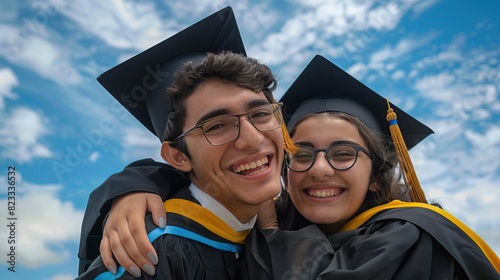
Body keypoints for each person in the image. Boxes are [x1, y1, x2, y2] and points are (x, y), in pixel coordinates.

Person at [81, 54, 500, 279]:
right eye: (302, 152)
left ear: (376, 177)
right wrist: (135, 182)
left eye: (343, 154)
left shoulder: (409, 237)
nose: (319, 169)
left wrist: (270, 232)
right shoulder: (160, 243)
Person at [76, 6, 296, 279]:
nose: (252, 140)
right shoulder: (148, 254)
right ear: (179, 157)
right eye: (217, 126)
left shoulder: (289, 225)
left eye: (261, 114)